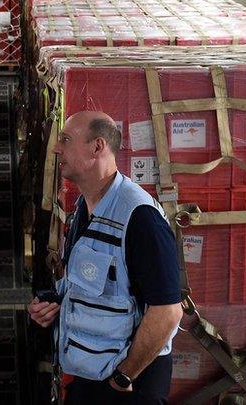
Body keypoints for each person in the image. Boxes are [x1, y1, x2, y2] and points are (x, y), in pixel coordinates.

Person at [28, 111, 183, 404]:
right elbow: (92, 284)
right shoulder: (84, 209)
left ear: (97, 147)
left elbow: (168, 312)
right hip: (90, 376)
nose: (56, 148)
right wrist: (53, 302)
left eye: (66, 140)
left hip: (127, 386)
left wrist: (125, 375)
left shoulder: (140, 218)